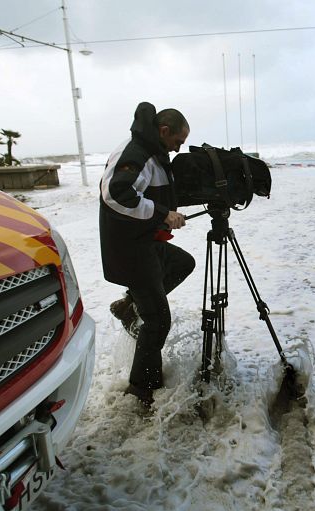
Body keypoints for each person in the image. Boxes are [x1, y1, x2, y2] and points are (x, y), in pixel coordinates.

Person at [99, 101, 195, 411]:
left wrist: (167, 210)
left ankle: (129, 305)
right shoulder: (136, 152)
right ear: (164, 131)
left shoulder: (152, 150)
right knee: (158, 322)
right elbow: (117, 194)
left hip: (143, 241)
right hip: (129, 248)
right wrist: (163, 214)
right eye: (178, 141)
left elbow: (154, 190)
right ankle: (140, 390)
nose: (179, 148)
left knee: (183, 263)